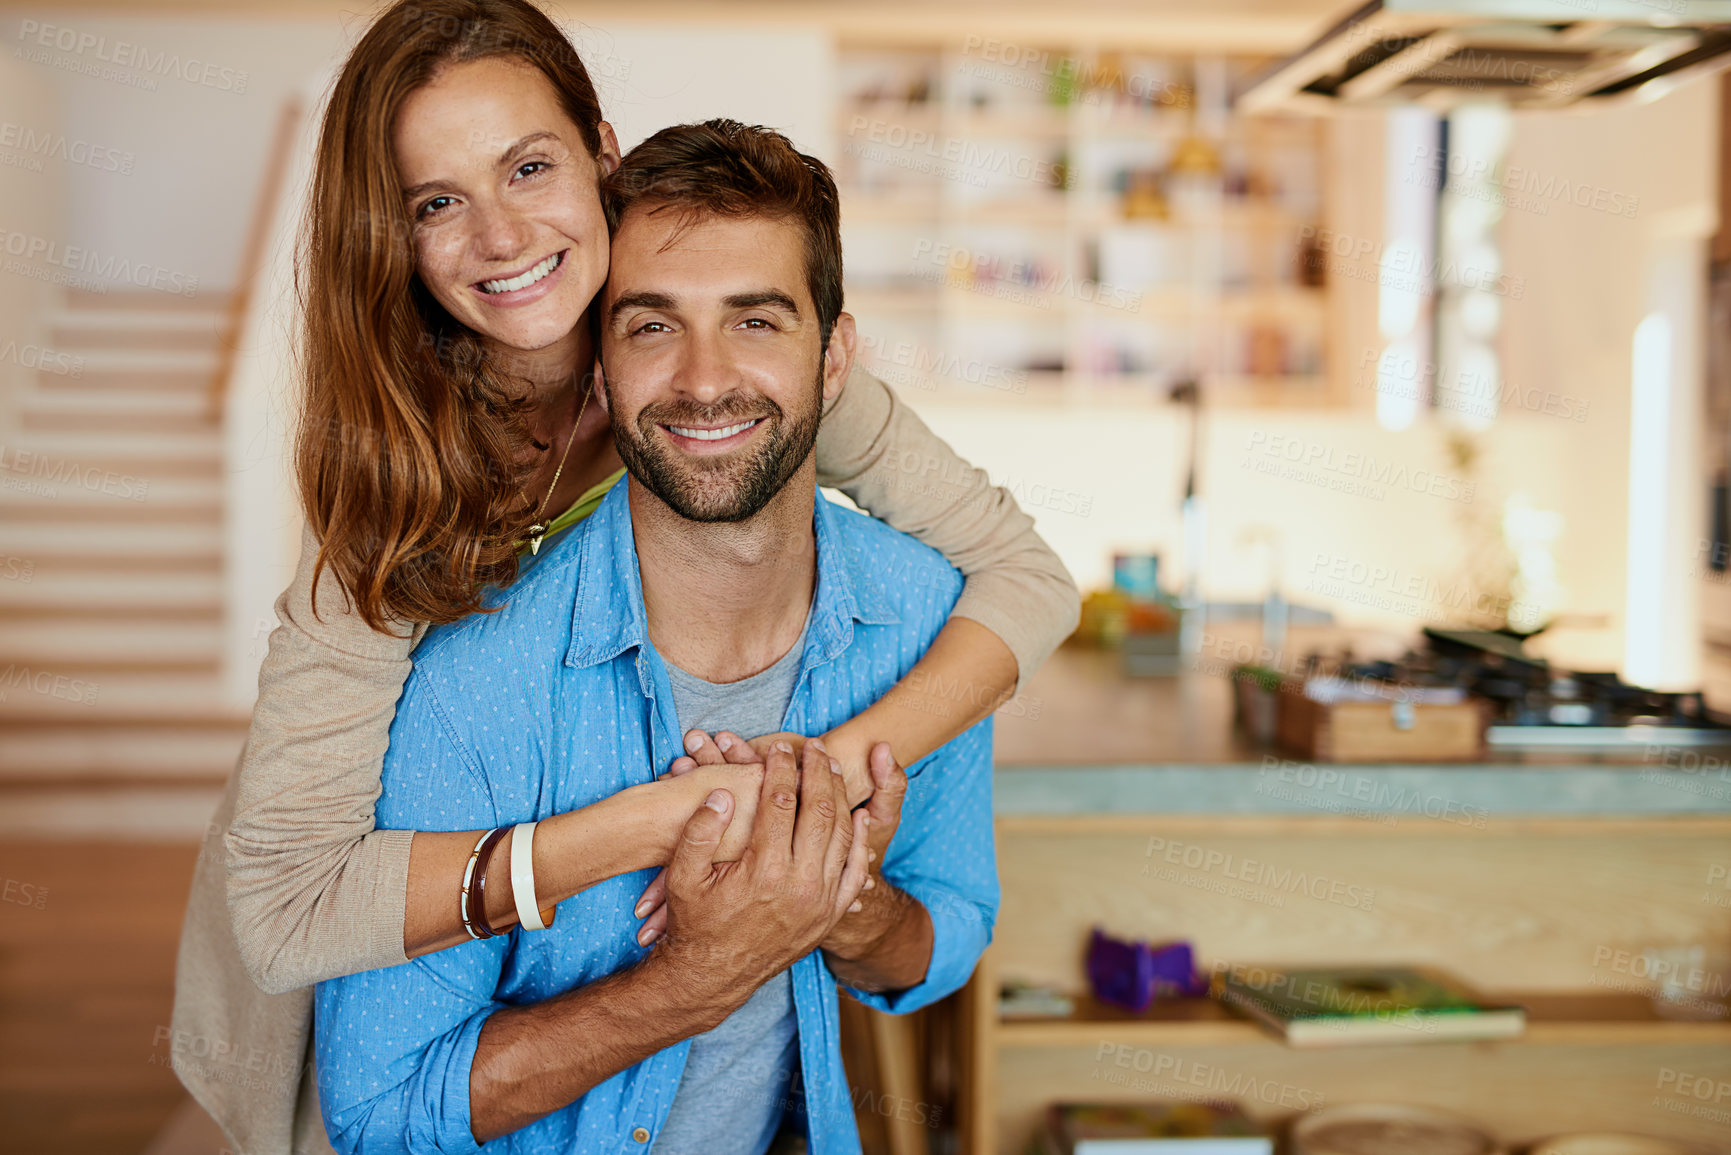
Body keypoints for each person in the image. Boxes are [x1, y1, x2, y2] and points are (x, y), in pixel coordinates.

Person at [168, 2, 1073, 1152]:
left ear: (599, 154)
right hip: (351, 922)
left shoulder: (720, 361)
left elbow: (1028, 578)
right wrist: (662, 820)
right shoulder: (397, 488)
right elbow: (291, 908)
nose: (500, 236)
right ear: (391, 235)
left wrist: (821, 783)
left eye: (528, 167)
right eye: (437, 202)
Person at [313, 117, 997, 1154]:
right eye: (651, 326)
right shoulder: (468, 683)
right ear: (599, 368)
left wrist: (843, 902)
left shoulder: (926, 623)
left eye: (757, 322)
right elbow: (377, 1111)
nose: (703, 380)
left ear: (835, 357)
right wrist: (695, 978)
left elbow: (945, 936)